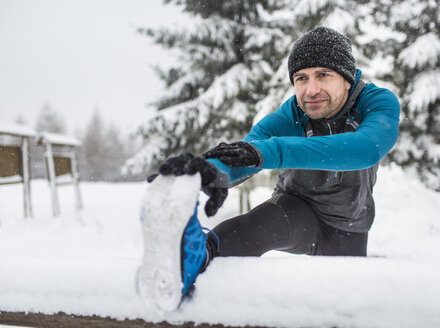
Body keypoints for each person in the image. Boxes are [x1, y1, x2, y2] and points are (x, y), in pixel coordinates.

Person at [140, 27, 400, 308]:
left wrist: (269, 151)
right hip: (297, 207)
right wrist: (206, 170)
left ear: (347, 79)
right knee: (256, 226)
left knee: (344, 309)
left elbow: (367, 147)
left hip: (349, 225)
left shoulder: (375, 102)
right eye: (301, 78)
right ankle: (193, 258)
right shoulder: (294, 113)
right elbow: (248, 152)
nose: (311, 90)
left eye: (323, 74)